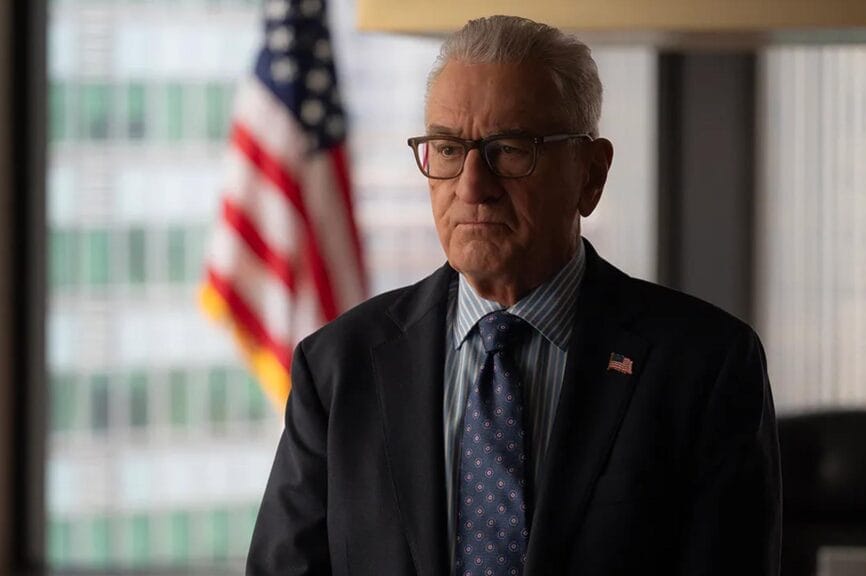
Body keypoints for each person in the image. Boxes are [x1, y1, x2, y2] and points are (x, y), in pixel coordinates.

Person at [247, 15, 780, 576]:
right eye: (447, 149)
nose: (472, 187)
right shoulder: (337, 367)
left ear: (590, 174)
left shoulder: (705, 366)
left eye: (509, 149)